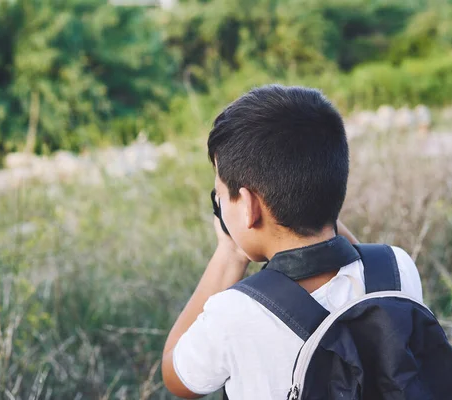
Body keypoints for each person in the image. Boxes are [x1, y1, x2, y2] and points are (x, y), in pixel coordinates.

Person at [161, 85, 423, 399]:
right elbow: (360, 265)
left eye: (220, 196)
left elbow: (176, 376)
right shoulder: (396, 268)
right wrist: (317, 207)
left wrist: (230, 252)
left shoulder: (233, 313)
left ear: (248, 206)